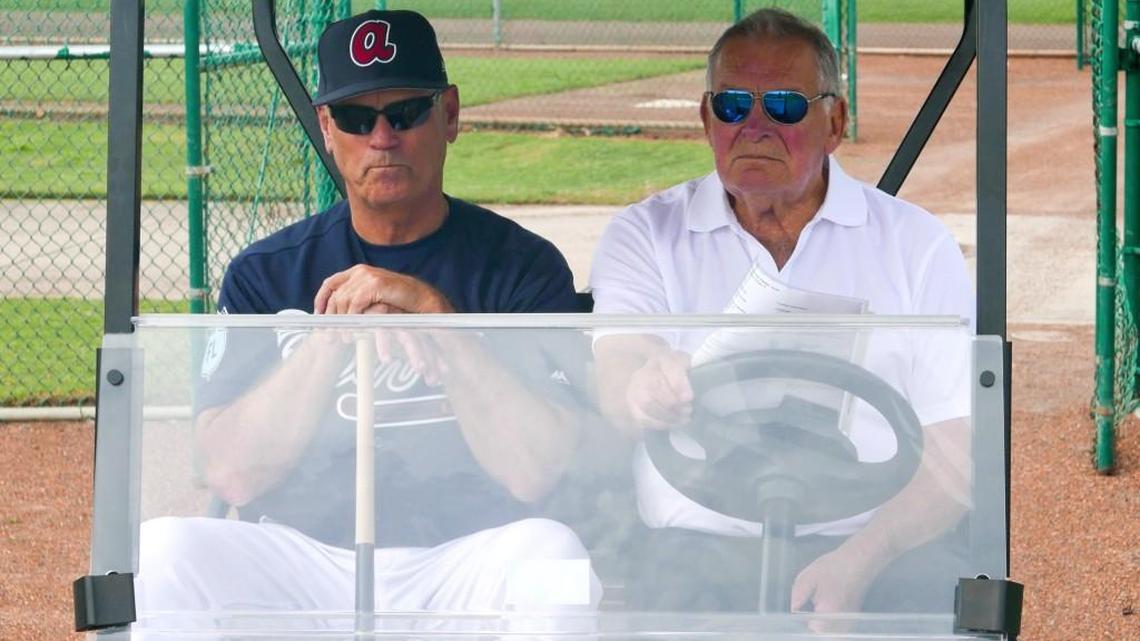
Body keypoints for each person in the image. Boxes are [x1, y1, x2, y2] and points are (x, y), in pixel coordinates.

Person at [135, 9, 600, 619]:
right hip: (300, 563)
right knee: (163, 551)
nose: (383, 137)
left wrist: (444, 325)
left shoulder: (521, 268)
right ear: (327, 127)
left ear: (450, 114)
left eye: (405, 112)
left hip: (467, 559)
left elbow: (536, 471)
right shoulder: (267, 273)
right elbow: (229, 471)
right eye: (357, 118)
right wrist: (329, 338)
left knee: (553, 559)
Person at [589, 9, 974, 615]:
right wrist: (644, 385)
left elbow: (955, 451)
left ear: (835, 122)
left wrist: (861, 561)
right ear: (706, 118)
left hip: (874, 546)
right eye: (734, 105)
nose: (756, 126)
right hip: (694, 553)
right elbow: (619, 366)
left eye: (786, 107)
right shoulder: (648, 235)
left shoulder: (916, 246)